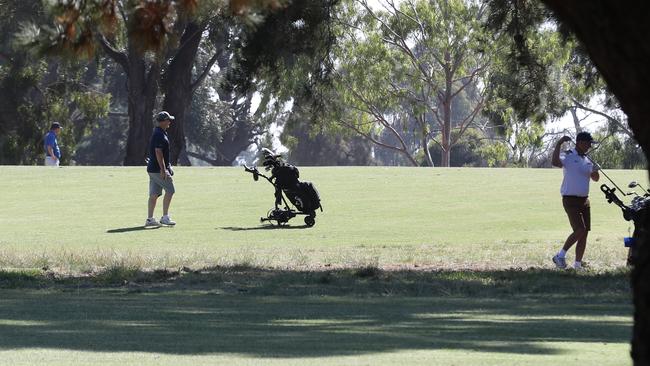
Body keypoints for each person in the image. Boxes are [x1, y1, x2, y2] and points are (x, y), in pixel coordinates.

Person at [551, 132, 600, 270]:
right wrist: (559, 144)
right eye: (588, 143)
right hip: (570, 199)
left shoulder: (588, 159)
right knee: (580, 229)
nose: (590, 146)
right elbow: (555, 162)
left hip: (585, 201)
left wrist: (595, 169)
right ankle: (560, 256)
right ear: (580, 142)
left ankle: (578, 265)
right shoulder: (568, 155)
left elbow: (595, 178)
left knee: (584, 233)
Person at [145, 111, 177, 227]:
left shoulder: (160, 132)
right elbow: (158, 152)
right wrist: (163, 170)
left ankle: (150, 219)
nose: (169, 122)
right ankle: (165, 217)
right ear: (163, 121)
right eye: (168, 120)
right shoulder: (159, 134)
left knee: (154, 194)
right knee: (170, 190)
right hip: (158, 170)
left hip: (152, 169)